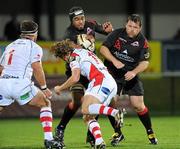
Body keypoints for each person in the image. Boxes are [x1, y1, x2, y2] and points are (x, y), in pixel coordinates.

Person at [54, 6, 123, 148]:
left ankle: (115, 132)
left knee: (102, 103)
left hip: (92, 71)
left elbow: (106, 31)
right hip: (77, 71)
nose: (80, 22)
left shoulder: (90, 24)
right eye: (77, 19)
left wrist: (109, 30)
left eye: (82, 18)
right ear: (71, 21)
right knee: (78, 102)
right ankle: (60, 129)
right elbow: (72, 53)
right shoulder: (69, 34)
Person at [0, 20, 62, 149]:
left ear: (22, 33)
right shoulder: (34, 47)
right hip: (20, 85)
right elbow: (37, 68)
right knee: (45, 103)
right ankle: (49, 140)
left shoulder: (10, 45)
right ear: (35, 33)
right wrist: (44, 88)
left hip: (3, 82)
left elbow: (1, 68)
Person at [99, 14, 158, 145]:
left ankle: (150, 132)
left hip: (130, 75)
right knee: (110, 102)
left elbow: (145, 63)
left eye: (135, 27)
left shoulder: (143, 41)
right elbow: (103, 49)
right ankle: (118, 133)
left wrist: (134, 72)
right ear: (126, 24)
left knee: (138, 105)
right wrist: (114, 61)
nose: (132, 29)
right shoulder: (116, 34)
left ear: (140, 28)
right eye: (130, 26)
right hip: (113, 75)